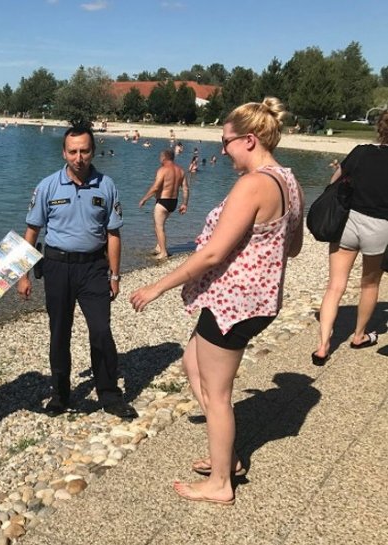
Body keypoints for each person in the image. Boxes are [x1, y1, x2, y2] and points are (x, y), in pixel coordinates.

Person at [129, 97, 305, 505]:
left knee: (218, 394)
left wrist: (157, 287)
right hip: (254, 298)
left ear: (248, 139)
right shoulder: (289, 180)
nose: (221, 151)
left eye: (225, 142)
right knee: (193, 363)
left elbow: (211, 253)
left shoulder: (254, 184)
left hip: (236, 304)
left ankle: (223, 480)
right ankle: (224, 455)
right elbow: (293, 247)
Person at [17, 126, 137, 419]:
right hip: (57, 267)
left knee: (101, 330)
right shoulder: (47, 186)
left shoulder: (106, 185)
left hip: (95, 268)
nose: (79, 157)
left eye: (84, 150)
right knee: (59, 333)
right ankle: (60, 394)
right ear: (64, 152)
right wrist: (22, 274)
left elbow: (113, 234)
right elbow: (32, 231)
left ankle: (109, 394)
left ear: (93, 151)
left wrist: (115, 274)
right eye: (73, 151)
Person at [312, 110, 388, 365]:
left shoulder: (361, 151)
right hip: (380, 228)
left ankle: (323, 346)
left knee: (335, 285)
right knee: (369, 285)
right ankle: (358, 335)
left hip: (349, 221)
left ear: (380, 128)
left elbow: (335, 180)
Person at [138, 149, 190, 259]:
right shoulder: (181, 170)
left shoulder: (163, 170)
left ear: (164, 158)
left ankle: (163, 253)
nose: (159, 159)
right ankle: (158, 246)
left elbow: (155, 187)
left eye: (160, 157)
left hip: (163, 201)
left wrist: (144, 199)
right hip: (173, 202)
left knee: (159, 226)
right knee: (158, 224)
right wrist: (184, 204)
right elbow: (185, 188)